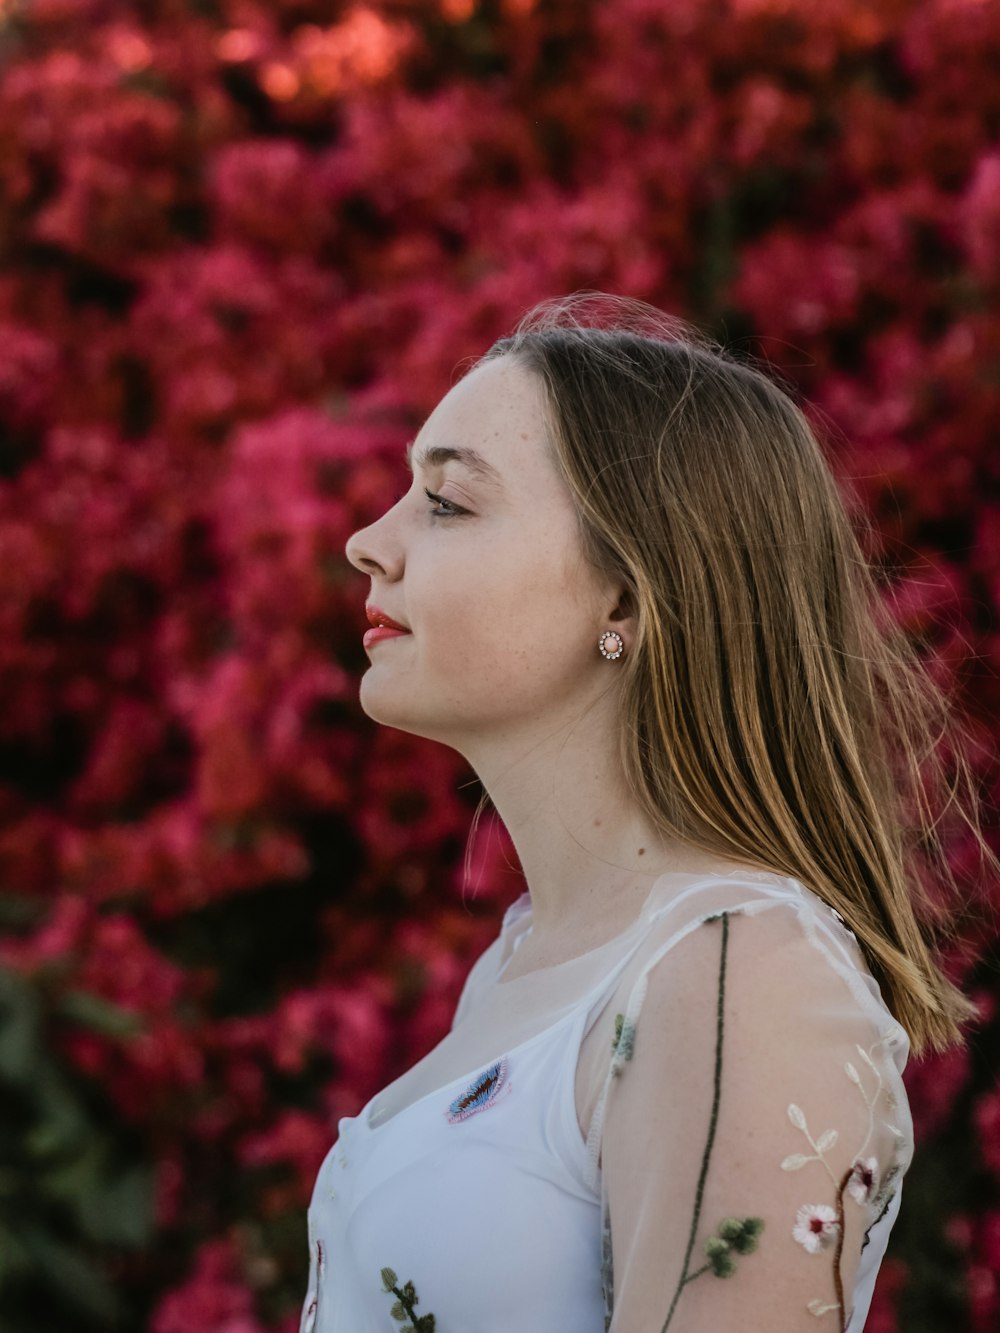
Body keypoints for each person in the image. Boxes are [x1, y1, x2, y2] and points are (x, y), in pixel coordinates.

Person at [300, 294, 991, 1332]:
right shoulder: (529, 965)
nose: (367, 541)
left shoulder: (737, 968)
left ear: (624, 598)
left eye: (446, 503)